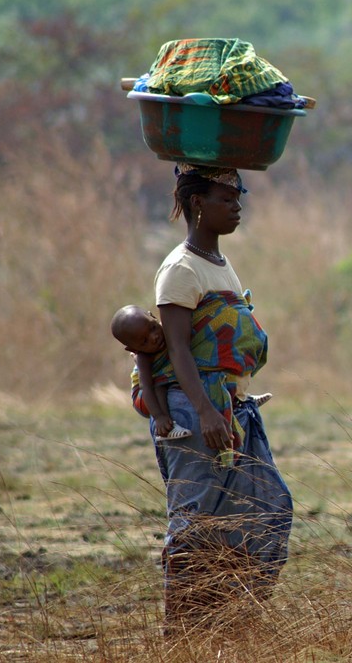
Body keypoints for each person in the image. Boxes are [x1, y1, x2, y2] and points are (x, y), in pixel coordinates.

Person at [151, 163, 292, 635]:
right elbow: (176, 349)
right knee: (195, 525)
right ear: (197, 204)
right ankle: (182, 637)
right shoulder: (179, 270)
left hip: (231, 410)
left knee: (268, 509)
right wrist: (208, 412)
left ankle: (228, 622)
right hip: (196, 414)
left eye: (238, 198)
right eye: (226, 199)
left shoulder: (217, 263)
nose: (237, 207)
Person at [110, 304, 271, 443]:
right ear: (133, 348)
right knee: (161, 383)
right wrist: (159, 417)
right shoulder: (143, 358)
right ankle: (169, 427)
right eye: (144, 341)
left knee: (207, 370)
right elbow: (147, 387)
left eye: (152, 328)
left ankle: (240, 399)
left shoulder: (170, 329)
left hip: (167, 375)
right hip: (145, 396)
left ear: (153, 316)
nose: (154, 337)